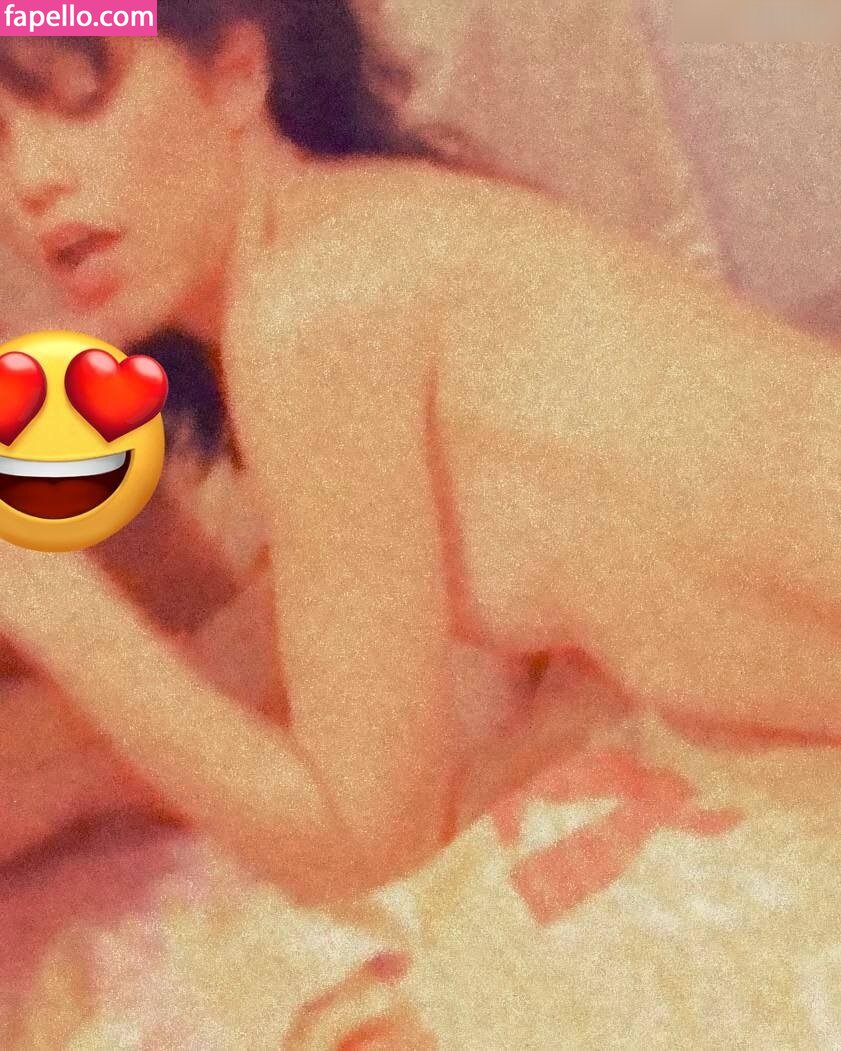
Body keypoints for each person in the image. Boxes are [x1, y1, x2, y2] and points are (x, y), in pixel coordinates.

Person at [0, 4, 840, 909]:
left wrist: (50, 601)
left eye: (79, 100)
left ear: (237, 76)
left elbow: (365, 851)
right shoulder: (362, 241)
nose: (32, 182)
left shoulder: (315, 303)